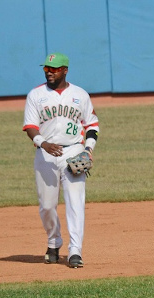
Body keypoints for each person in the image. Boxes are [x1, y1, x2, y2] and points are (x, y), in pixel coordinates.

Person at [23, 53, 100, 268]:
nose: (50, 71)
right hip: (45, 154)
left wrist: (88, 149)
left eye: (55, 68)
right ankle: (53, 241)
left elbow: (92, 124)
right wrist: (42, 143)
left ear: (65, 70)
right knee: (47, 206)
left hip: (73, 152)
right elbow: (30, 126)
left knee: (75, 203)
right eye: (47, 68)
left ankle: (75, 250)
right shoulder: (36, 95)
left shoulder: (80, 94)